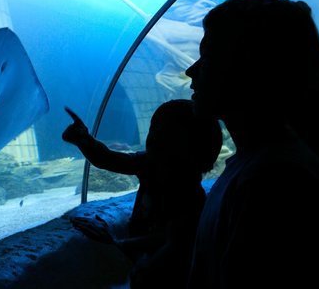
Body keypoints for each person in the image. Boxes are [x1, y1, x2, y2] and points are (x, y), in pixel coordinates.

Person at [185, 0, 319, 289]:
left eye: (208, 55)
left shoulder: (273, 182)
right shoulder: (257, 165)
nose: (191, 70)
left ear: (249, 66)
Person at [62, 99, 222, 288]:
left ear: (193, 149)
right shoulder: (151, 163)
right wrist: (83, 139)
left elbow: (175, 243)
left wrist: (118, 244)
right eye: (153, 129)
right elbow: (109, 159)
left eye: (165, 134)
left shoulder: (189, 195)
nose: (152, 138)